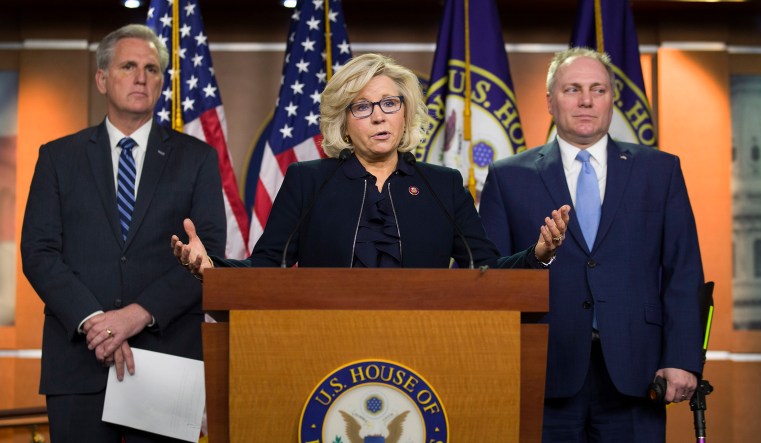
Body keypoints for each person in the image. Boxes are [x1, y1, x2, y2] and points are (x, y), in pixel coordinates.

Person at [479, 47, 705, 442]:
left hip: (639, 370)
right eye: (573, 89)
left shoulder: (660, 170)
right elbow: (489, 276)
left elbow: (683, 272)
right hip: (542, 371)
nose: (586, 100)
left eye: (598, 89)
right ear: (550, 101)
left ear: (611, 98)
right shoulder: (507, 177)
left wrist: (683, 358)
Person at [172, 53, 569, 274]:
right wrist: (212, 268)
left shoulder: (442, 185)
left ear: (405, 113)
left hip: (423, 344)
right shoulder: (308, 181)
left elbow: (486, 270)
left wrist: (537, 254)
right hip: (326, 344)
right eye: (362, 107)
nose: (379, 116)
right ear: (343, 122)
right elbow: (266, 267)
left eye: (390, 103)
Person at [20, 24, 226, 442]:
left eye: (152, 69)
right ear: (101, 78)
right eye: (128, 66)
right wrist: (96, 323)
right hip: (79, 362)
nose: (141, 78)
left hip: (167, 361)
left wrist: (136, 315)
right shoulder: (58, 157)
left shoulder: (198, 158)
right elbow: (39, 252)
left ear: (161, 83)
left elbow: (207, 255)